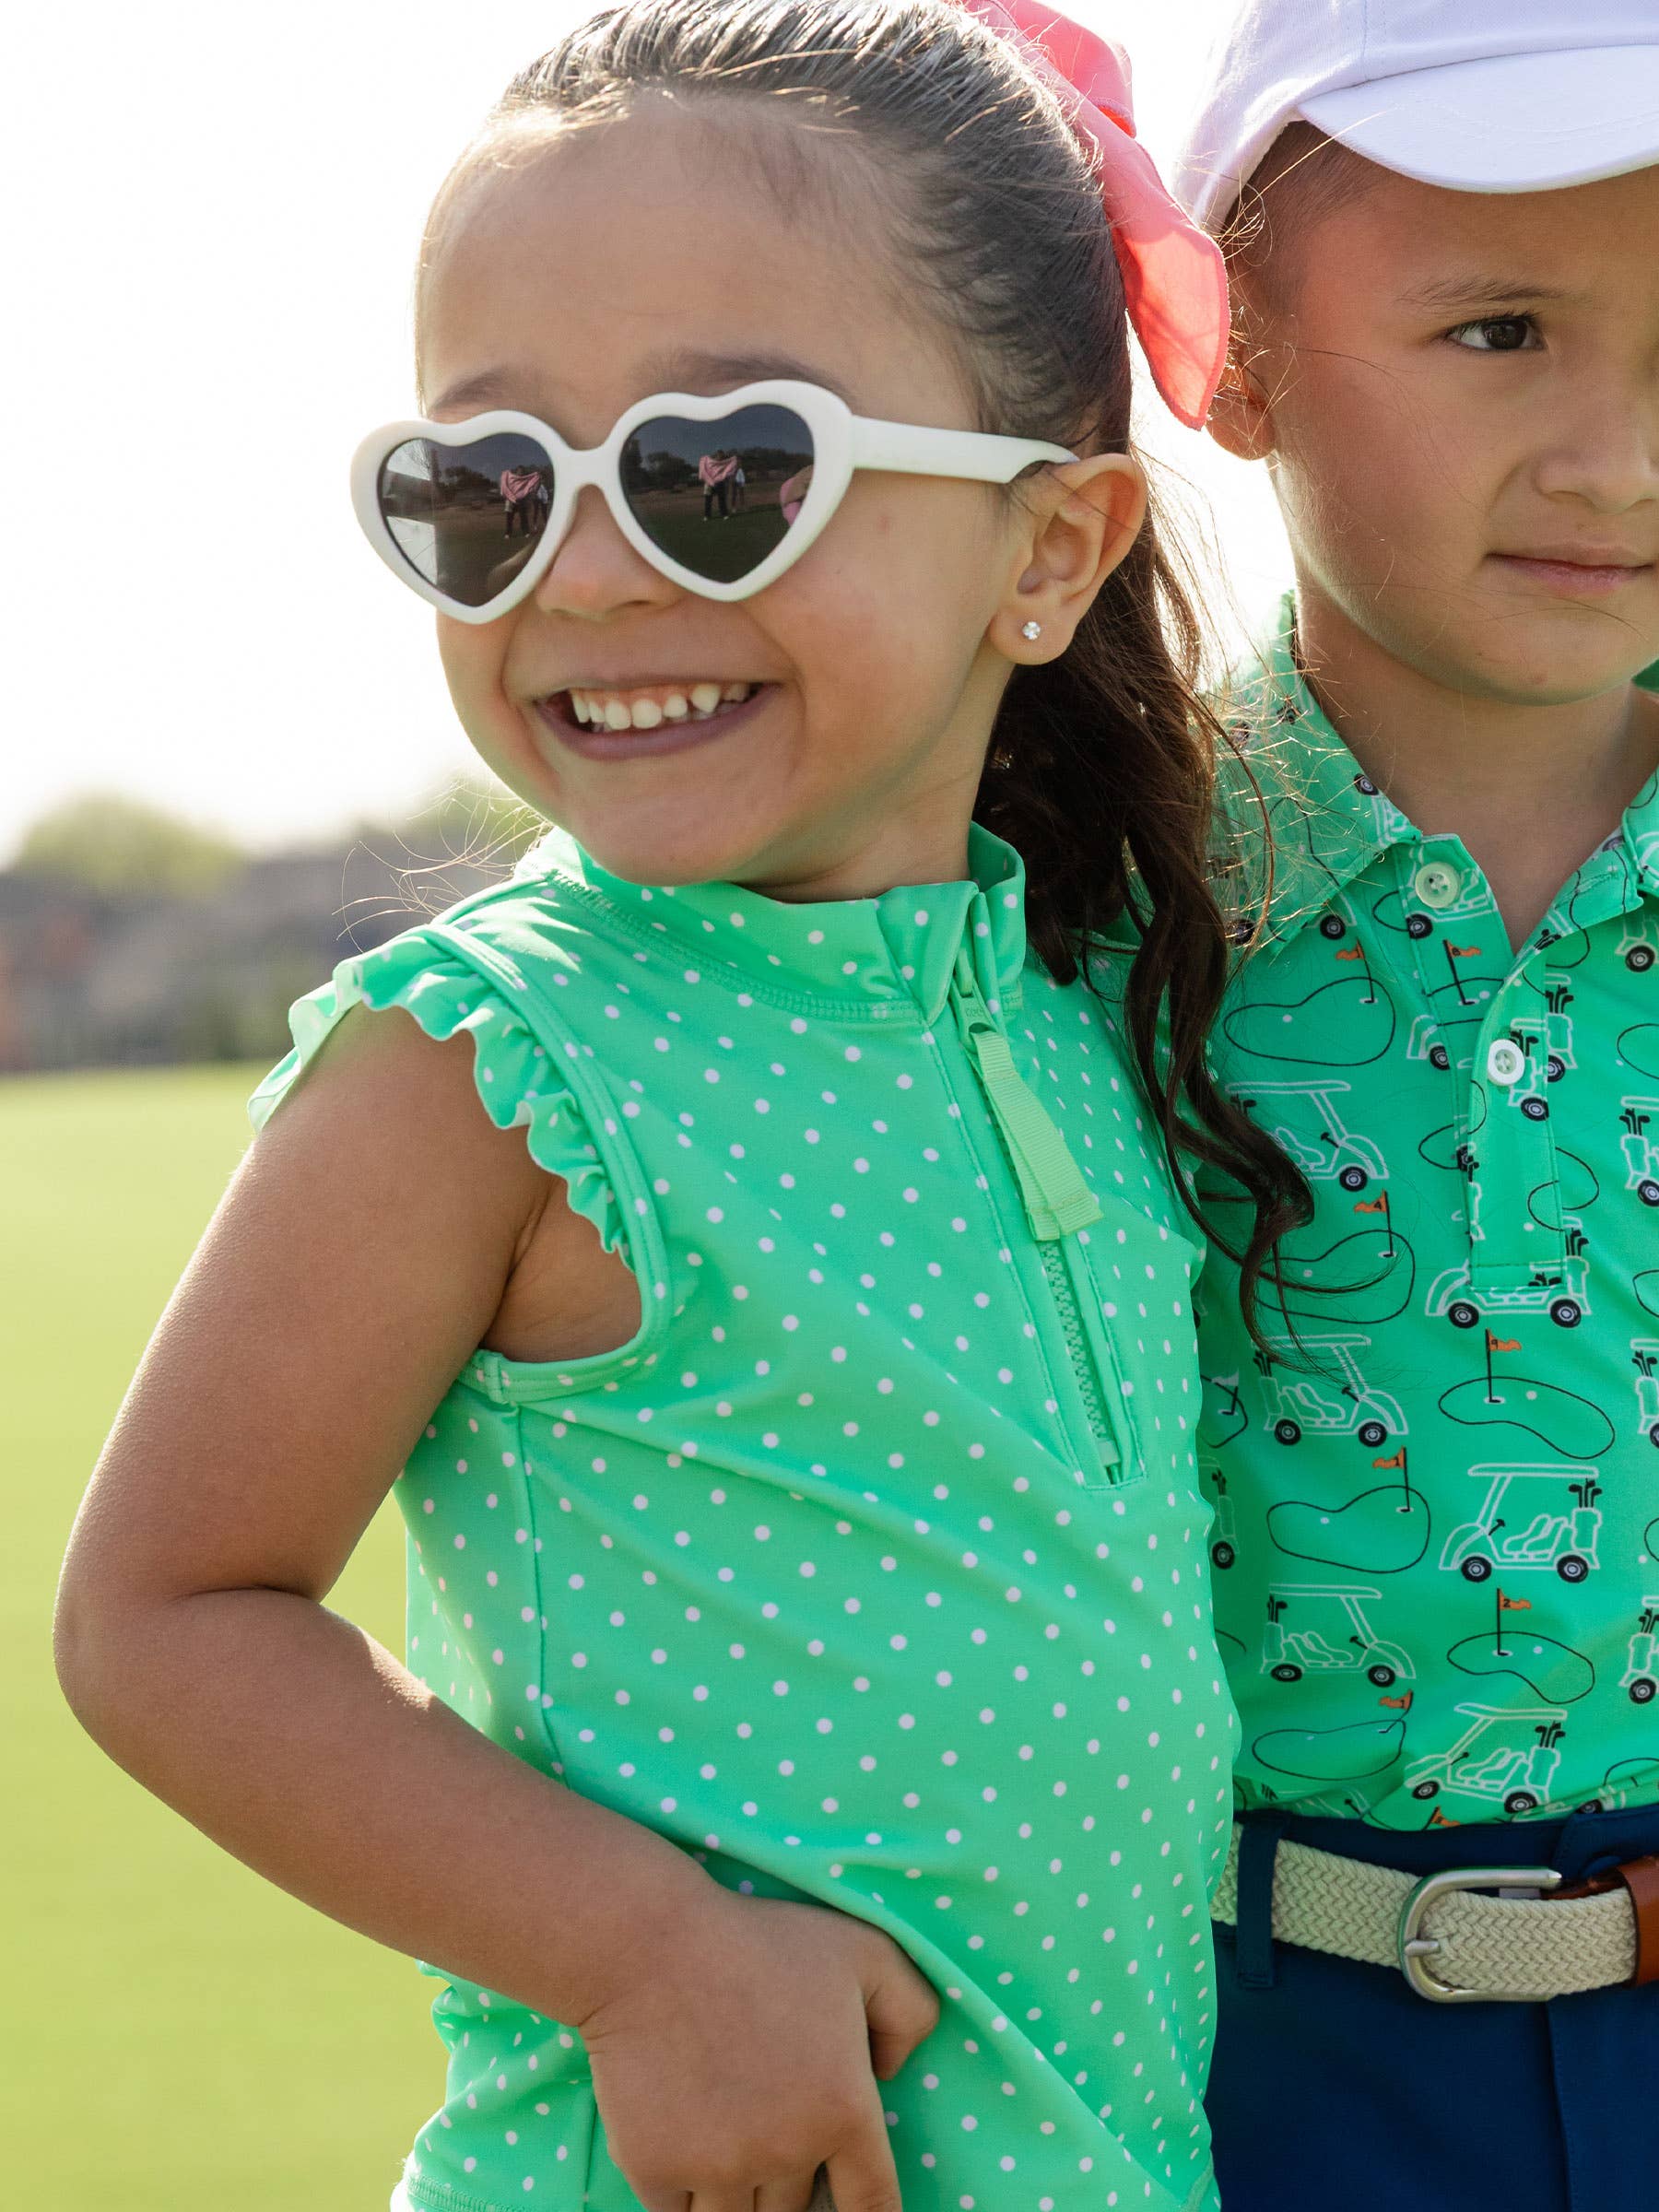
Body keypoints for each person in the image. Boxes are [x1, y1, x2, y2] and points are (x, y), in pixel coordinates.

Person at [51, 6, 1303, 2212]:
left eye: (721, 476)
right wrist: (644, 1958)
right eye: (487, 490)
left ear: (1049, 551)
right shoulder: (484, 1059)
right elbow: (166, 1615)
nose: (588, 575)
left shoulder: (1084, 998)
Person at [1171, 4, 1659, 2206]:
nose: (1618, 461)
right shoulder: (1073, 899)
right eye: (1499, 330)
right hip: (1238, 2058)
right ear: (1230, 342)